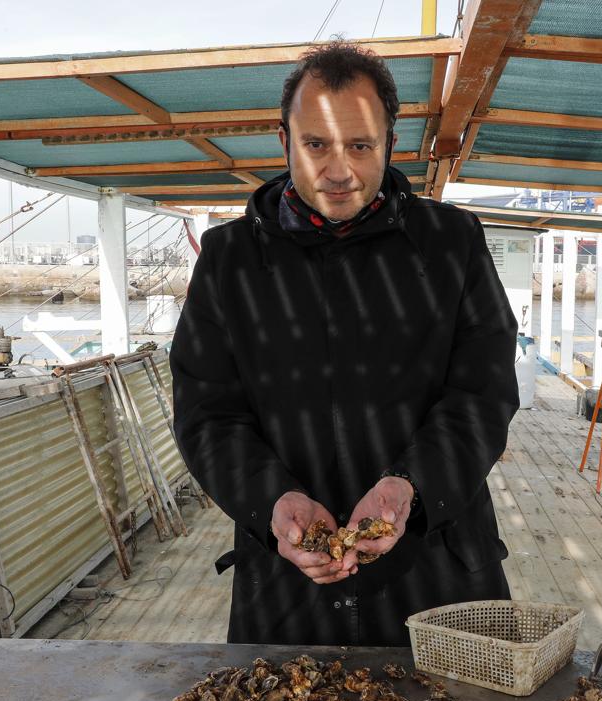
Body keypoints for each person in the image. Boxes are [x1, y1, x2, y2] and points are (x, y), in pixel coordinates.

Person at [170, 41, 519, 646]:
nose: (339, 171)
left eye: (360, 145)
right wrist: (271, 501)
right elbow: (206, 411)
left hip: (437, 567)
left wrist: (411, 486)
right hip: (287, 582)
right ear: (284, 141)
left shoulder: (451, 242)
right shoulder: (229, 259)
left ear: (390, 140)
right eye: (316, 145)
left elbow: (482, 394)